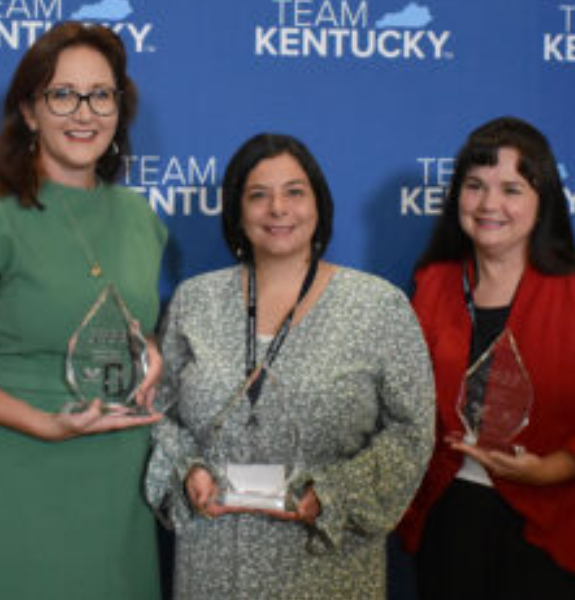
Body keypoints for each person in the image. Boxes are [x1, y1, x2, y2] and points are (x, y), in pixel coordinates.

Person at [0, 22, 166, 600]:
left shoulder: (139, 217)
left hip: (118, 471)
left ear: (119, 109)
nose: (84, 112)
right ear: (29, 111)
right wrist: (44, 423)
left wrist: (148, 353)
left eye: (102, 94)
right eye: (62, 94)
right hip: (18, 466)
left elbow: (126, 321)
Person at [145, 133, 435, 600]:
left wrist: (334, 494)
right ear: (238, 212)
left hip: (326, 562)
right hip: (214, 560)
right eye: (258, 195)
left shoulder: (379, 306)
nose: (278, 208)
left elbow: (412, 431)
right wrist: (188, 470)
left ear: (319, 204)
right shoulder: (194, 301)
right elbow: (160, 415)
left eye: (294, 192)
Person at [396, 116, 575, 600]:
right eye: (475, 186)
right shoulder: (433, 284)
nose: (489, 204)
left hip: (557, 526)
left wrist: (558, 465)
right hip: (450, 520)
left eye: (511, 189)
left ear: (543, 203)